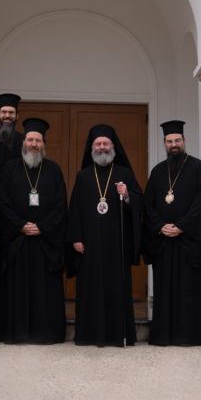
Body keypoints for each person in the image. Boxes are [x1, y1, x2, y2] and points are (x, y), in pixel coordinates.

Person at [66, 124, 143, 347]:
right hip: (89, 246)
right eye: (98, 144)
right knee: (90, 289)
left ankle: (117, 334)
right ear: (92, 148)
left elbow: (140, 201)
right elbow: (75, 210)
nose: (102, 148)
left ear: (113, 147)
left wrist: (127, 195)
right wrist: (76, 238)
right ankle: (89, 334)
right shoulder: (83, 176)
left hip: (116, 245)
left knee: (115, 289)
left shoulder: (124, 173)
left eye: (105, 144)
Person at [0, 118, 68, 343]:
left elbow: (60, 204)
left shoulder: (53, 169)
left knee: (44, 290)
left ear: (43, 143)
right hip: (18, 241)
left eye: (37, 140)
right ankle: (16, 334)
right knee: (17, 289)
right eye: (30, 140)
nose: (33, 144)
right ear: (23, 142)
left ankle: (46, 334)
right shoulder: (9, 168)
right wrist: (20, 225)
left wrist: (42, 227)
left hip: (45, 242)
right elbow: (2, 202)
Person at [141, 120, 201, 346]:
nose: (174, 145)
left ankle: (191, 336)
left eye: (177, 141)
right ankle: (164, 335)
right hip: (164, 242)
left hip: (189, 240)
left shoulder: (198, 167)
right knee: (165, 289)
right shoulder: (158, 171)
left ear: (184, 141)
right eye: (170, 141)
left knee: (190, 290)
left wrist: (181, 225)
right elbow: (148, 204)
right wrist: (161, 226)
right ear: (164, 143)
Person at [0, 93, 23, 161]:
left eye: (11, 112)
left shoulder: (24, 141)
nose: (7, 116)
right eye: (4, 112)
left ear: (17, 116)